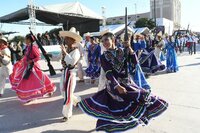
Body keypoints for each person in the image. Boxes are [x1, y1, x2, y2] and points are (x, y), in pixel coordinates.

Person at [79, 32, 168, 132]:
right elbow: (108, 73)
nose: (104, 43)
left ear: (113, 40)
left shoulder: (123, 51)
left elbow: (135, 63)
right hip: (114, 86)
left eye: (106, 40)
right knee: (113, 110)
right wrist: (117, 86)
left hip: (127, 83)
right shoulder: (103, 57)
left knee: (142, 98)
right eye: (102, 41)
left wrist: (130, 49)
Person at [9, 34, 56, 103]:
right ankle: (28, 96)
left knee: (40, 78)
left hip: (33, 67)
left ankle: (49, 89)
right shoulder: (28, 47)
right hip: (26, 66)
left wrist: (31, 61)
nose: (25, 40)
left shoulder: (33, 47)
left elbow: (38, 57)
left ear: (29, 39)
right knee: (26, 81)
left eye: (26, 39)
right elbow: (26, 56)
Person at [59, 27, 82, 122]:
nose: (66, 39)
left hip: (71, 74)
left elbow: (71, 62)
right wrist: (49, 56)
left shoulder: (76, 51)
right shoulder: (65, 49)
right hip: (64, 73)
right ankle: (77, 101)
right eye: (66, 38)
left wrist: (64, 52)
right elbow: (59, 58)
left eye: (68, 38)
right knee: (63, 92)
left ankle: (66, 114)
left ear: (73, 40)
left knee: (67, 94)